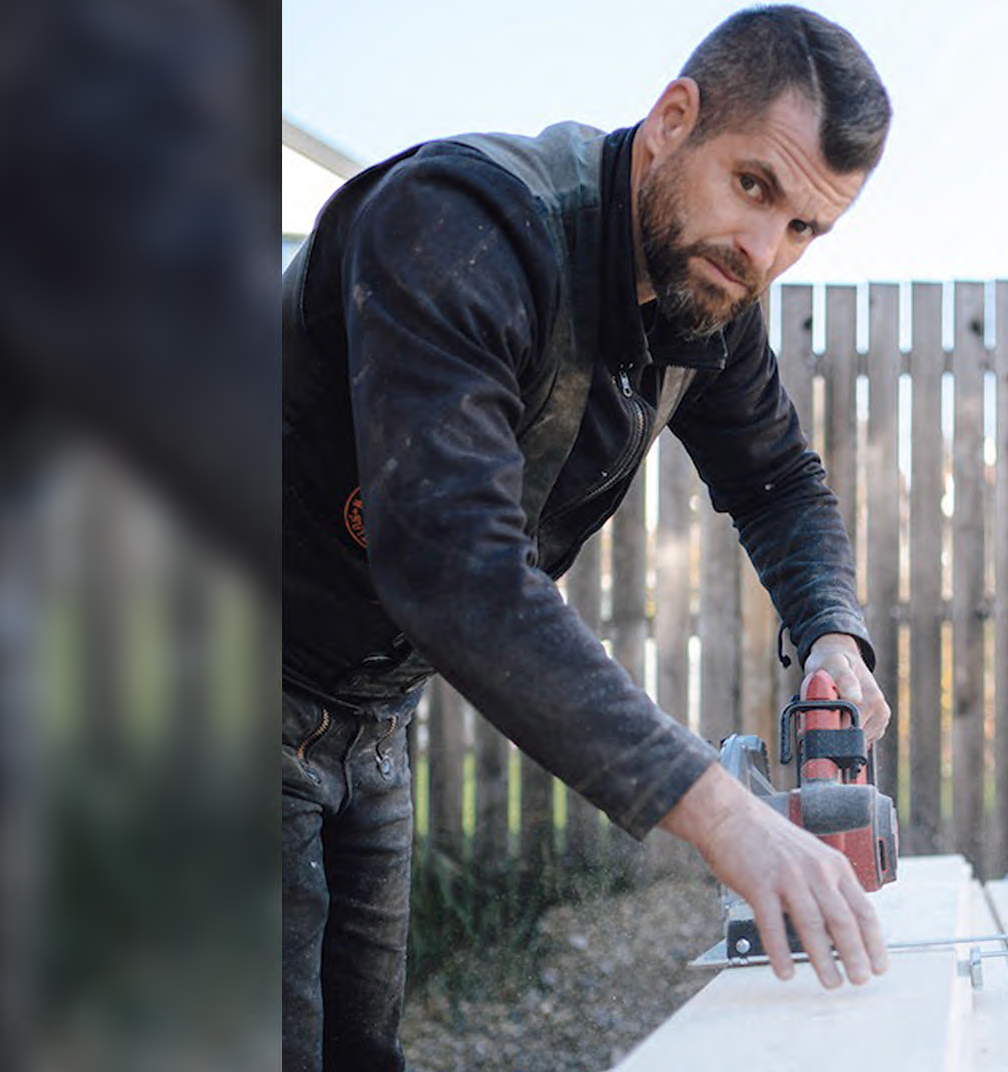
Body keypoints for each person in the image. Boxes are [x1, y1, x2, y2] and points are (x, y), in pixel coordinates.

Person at [279, 7, 895, 1069]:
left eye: (805, 230)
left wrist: (832, 631)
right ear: (673, 119)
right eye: (754, 186)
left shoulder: (704, 302)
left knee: (358, 1052)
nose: (763, 253)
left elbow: (780, 482)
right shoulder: (464, 224)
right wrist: (721, 813)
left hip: (368, 717)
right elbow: (456, 569)